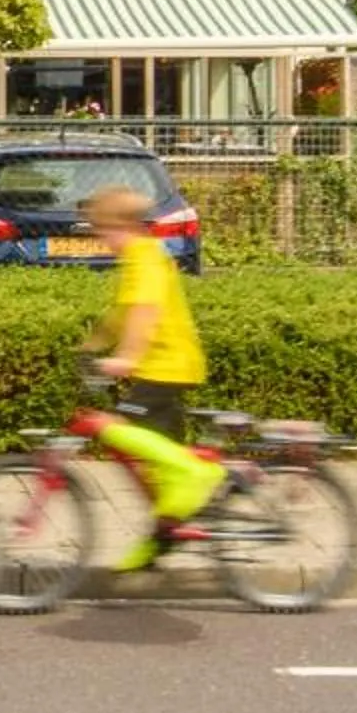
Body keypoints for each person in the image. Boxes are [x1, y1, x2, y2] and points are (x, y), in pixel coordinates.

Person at [77, 183, 229, 569]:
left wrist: (125, 358)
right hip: (162, 366)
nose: (101, 240)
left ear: (120, 226)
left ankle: (194, 477)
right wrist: (90, 348)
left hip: (166, 367)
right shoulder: (137, 259)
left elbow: (144, 311)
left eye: (102, 231)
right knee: (156, 464)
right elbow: (120, 316)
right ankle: (163, 536)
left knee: (116, 430)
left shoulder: (144, 256)